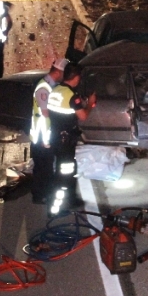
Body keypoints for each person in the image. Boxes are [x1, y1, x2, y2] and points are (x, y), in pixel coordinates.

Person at [46, 63, 96, 214]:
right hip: (65, 140)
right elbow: (83, 116)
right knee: (65, 173)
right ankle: (58, 206)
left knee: (63, 170)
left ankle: (67, 199)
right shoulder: (72, 97)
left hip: (55, 136)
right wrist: (91, 103)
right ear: (76, 78)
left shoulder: (55, 90)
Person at [30, 57, 69, 204]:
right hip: (42, 136)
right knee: (42, 168)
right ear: (59, 72)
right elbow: (45, 114)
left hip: (44, 135)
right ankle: (40, 196)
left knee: (45, 167)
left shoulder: (48, 85)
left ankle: (43, 194)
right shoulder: (43, 89)